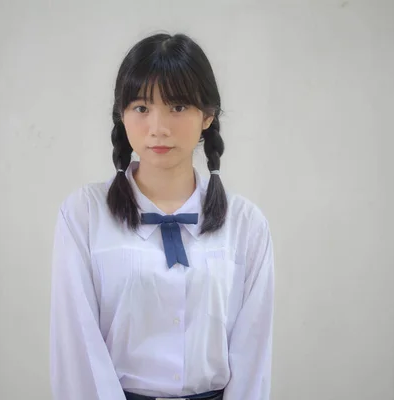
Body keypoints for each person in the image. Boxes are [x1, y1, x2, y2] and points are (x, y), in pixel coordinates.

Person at [50, 32, 275, 400]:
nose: (159, 127)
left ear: (207, 116)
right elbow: (78, 352)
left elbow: (253, 358)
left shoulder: (246, 225)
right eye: (141, 107)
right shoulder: (83, 215)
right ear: (121, 115)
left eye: (178, 106)